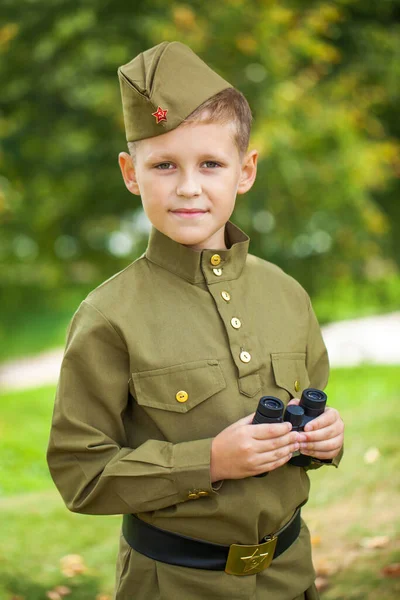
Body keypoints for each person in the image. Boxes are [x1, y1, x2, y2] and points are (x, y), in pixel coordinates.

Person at [47, 41, 344, 600]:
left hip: (290, 575)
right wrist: (205, 462)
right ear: (130, 173)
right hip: (174, 583)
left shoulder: (288, 294)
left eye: (210, 163)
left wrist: (327, 439)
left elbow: (312, 407)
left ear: (246, 169)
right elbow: (78, 474)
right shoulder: (108, 317)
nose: (188, 186)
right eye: (163, 165)